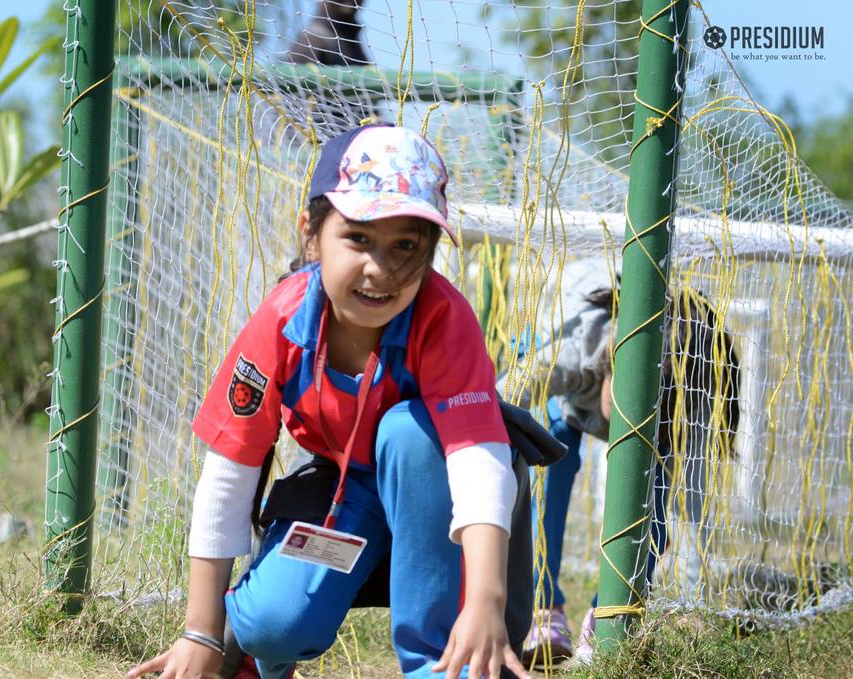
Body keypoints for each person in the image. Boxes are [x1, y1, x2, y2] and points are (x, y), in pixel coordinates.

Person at [127, 124, 532, 679]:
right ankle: (240, 643)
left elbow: (477, 463)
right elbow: (230, 471)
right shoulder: (282, 322)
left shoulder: (443, 317)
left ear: (431, 252)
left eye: (406, 247)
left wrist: (485, 602)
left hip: (447, 505)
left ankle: (441, 665)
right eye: (359, 238)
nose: (380, 268)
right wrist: (199, 633)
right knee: (275, 624)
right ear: (312, 236)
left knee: (410, 432)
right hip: (348, 493)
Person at [497, 258, 740, 667]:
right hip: (564, 378)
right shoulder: (576, 351)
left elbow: (694, 502)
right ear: (614, 369)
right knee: (545, 475)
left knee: (653, 524)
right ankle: (544, 609)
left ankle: (608, 621)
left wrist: (701, 599)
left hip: (654, 415)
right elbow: (500, 397)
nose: (632, 420)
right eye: (629, 402)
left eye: (650, 411)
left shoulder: (688, 401)